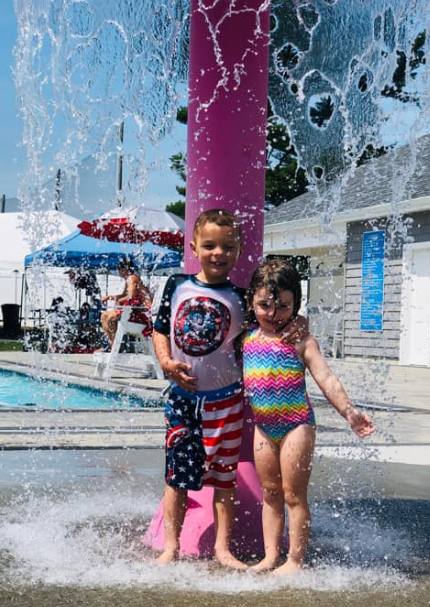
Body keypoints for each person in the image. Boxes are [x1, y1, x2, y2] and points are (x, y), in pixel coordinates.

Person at [242, 259, 375, 575]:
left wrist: (349, 412)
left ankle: (295, 560)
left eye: (284, 307)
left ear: (296, 305)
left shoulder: (301, 339)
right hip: (264, 427)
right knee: (271, 493)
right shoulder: (246, 338)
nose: (274, 314)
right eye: (265, 305)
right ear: (252, 302)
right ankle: (270, 555)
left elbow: (326, 378)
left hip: (295, 425)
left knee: (293, 495)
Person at [99, 258, 152, 350]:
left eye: (119, 269)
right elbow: (125, 295)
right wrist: (110, 297)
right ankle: (113, 344)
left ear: (125, 269)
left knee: (110, 317)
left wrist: (119, 302)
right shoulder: (130, 279)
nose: (118, 272)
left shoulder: (132, 278)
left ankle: (115, 346)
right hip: (135, 311)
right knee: (104, 316)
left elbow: (131, 296)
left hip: (140, 315)